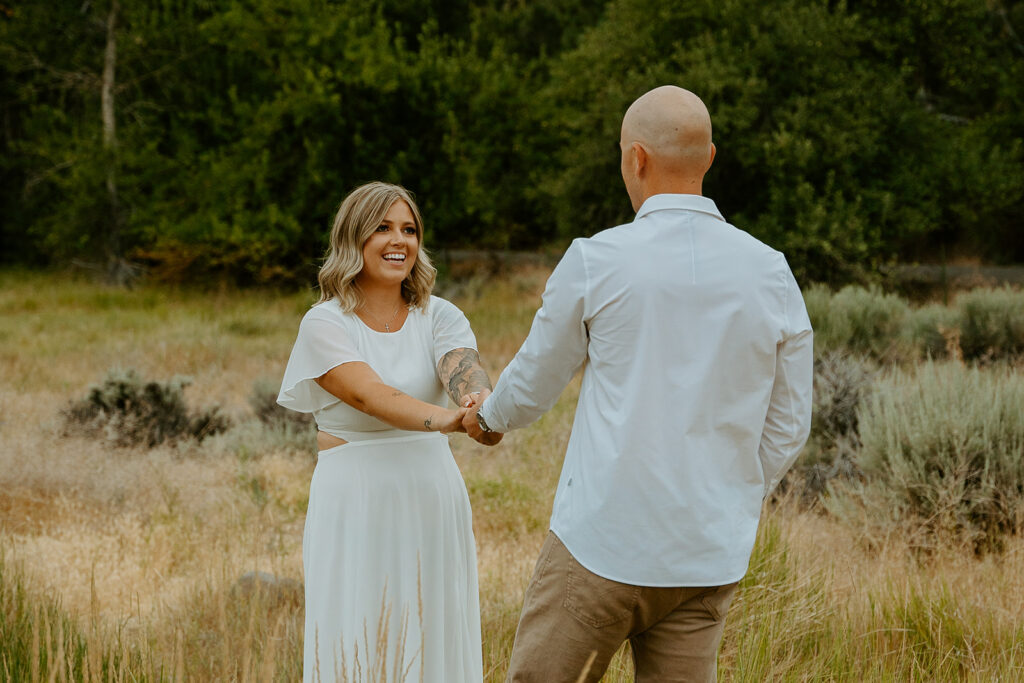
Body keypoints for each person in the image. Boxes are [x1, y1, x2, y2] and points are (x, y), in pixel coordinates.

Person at [464, 86, 814, 682]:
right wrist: (734, 495)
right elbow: (789, 423)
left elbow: (533, 383)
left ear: (636, 159)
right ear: (709, 158)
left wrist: (487, 418)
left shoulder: (598, 259)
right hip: (706, 554)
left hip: (602, 543)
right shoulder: (771, 271)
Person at [277, 181, 496, 683]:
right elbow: (368, 395)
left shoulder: (440, 315)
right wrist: (449, 420)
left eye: (409, 229)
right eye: (382, 227)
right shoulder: (324, 323)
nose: (399, 240)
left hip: (430, 493)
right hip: (355, 499)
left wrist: (480, 407)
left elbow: (463, 369)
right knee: (356, 633)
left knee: (432, 628)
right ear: (353, 238)